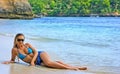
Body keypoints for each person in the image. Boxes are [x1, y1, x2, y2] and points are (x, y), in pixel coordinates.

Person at [3, 33, 87, 70]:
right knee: (53, 64)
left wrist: (32, 61)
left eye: (22, 39)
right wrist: (9, 62)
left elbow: (35, 52)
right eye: (19, 40)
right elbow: (13, 60)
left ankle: (72, 68)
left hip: (40, 54)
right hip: (37, 62)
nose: (21, 41)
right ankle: (75, 67)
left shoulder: (27, 45)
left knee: (49, 63)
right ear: (16, 40)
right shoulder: (15, 50)